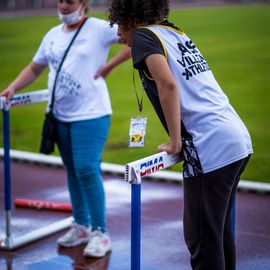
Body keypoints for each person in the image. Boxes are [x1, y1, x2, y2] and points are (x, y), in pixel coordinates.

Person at [107, 0, 253, 269]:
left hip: (210, 145)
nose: (117, 34)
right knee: (219, 236)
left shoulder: (143, 36)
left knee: (202, 244)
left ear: (129, 17)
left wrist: (175, 142)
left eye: (117, 24)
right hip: (236, 139)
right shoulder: (174, 31)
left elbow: (168, 85)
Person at [0, 0, 130, 258]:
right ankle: (81, 226)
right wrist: (13, 87)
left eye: (70, 1)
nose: (64, 6)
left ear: (83, 3)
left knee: (86, 168)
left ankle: (100, 233)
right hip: (60, 116)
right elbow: (36, 66)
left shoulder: (99, 28)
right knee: (72, 170)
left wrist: (109, 66)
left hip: (92, 114)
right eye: (61, 1)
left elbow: (135, 36)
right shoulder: (52, 35)